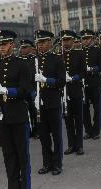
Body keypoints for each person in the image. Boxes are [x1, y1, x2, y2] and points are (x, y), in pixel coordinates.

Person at [0, 30, 32, 189]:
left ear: (12, 45)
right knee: (9, 156)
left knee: (22, 156)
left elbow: (25, 90)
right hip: (4, 118)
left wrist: (8, 91)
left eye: (4, 44)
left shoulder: (22, 64)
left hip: (18, 116)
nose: (1, 47)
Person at [34, 30, 66, 175]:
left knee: (56, 135)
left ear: (50, 43)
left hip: (53, 101)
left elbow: (62, 81)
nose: (41, 45)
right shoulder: (33, 60)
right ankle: (47, 163)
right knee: (44, 136)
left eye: (43, 42)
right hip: (39, 103)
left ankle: (57, 163)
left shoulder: (57, 59)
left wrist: (47, 80)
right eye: (39, 42)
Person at [59, 30, 86, 156]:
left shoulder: (79, 53)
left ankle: (79, 145)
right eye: (64, 40)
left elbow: (83, 72)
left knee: (78, 119)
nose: (66, 42)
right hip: (64, 92)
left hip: (75, 90)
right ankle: (71, 144)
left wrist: (74, 78)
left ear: (73, 40)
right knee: (68, 119)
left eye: (68, 40)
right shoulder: (59, 55)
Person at [81, 29, 101, 140]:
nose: (85, 41)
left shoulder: (97, 50)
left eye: (87, 38)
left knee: (96, 107)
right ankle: (88, 130)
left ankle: (96, 131)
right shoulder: (80, 51)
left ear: (91, 39)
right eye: (83, 39)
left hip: (94, 82)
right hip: (83, 83)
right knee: (84, 109)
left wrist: (91, 69)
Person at [19, 39, 39, 139]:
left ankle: (37, 130)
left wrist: (35, 90)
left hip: (32, 89)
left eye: (25, 47)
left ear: (30, 48)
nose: (23, 49)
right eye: (22, 47)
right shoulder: (19, 60)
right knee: (25, 113)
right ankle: (29, 131)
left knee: (34, 111)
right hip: (23, 90)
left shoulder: (34, 59)